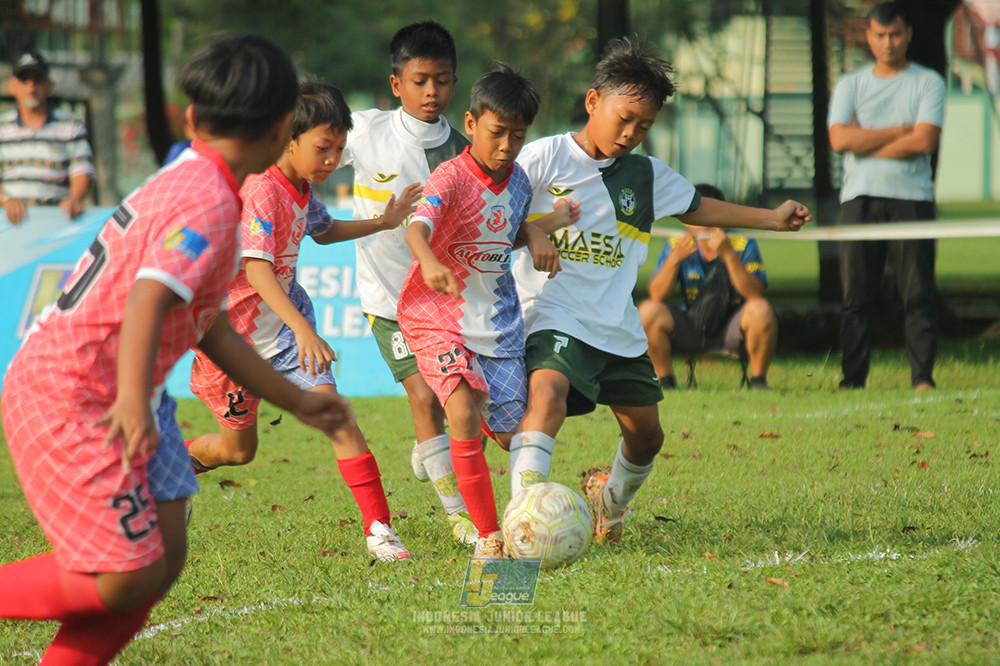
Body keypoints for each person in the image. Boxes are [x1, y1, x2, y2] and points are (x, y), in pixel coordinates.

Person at [0, 35, 349, 665]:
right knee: (127, 575)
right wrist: (133, 400)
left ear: (191, 120)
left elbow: (208, 323)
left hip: (123, 386)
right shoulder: (212, 201)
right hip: (76, 389)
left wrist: (295, 399)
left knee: (161, 560)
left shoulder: (192, 176)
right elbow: (149, 297)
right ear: (280, 133)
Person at [508, 38, 809, 542]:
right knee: (547, 394)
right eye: (623, 118)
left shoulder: (646, 176)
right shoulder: (543, 158)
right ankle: (522, 520)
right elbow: (499, 220)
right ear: (592, 102)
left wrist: (772, 219)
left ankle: (609, 502)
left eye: (643, 126)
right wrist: (536, 230)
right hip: (553, 311)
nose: (630, 133)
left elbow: (698, 208)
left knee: (647, 436)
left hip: (617, 324)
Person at [186, 82, 419, 563]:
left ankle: (380, 530)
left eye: (339, 148)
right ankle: (170, 474)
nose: (333, 159)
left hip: (288, 339)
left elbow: (325, 228)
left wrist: (383, 221)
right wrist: (305, 330)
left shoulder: (302, 187)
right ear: (290, 139)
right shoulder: (263, 189)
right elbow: (257, 270)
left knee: (336, 414)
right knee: (237, 453)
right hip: (231, 344)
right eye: (322, 147)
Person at [398, 63, 565, 559]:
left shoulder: (519, 183)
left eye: (518, 135)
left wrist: (536, 232)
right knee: (463, 410)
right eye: (497, 133)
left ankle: (457, 468)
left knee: (513, 436)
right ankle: (490, 535)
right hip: (437, 316)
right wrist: (427, 261)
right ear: (471, 124)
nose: (507, 145)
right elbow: (416, 228)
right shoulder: (449, 176)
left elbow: (506, 233)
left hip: (497, 325)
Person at [336, 21, 477, 545]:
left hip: (441, 303)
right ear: (397, 83)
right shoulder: (366, 130)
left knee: (454, 403)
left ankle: (430, 450)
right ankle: (457, 515)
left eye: (441, 80)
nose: (431, 92)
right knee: (422, 395)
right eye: (419, 81)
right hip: (385, 297)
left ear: (455, 82)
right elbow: (311, 149)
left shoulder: (464, 154)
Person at [828, 1, 945, 391]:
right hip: (859, 199)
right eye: (880, 35)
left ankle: (922, 378)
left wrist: (864, 142)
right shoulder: (851, 84)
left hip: (911, 198)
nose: (888, 43)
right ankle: (853, 378)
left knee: (917, 294)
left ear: (908, 33)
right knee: (856, 297)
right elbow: (839, 138)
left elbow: (925, 140)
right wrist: (899, 131)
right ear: (868, 36)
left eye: (895, 34)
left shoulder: (928, 82)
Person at [637, 183, 776, 390]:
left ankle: (758, 382)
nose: (704, 223)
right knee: (648, 311)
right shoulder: (677, 244)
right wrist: (675, 259)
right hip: (692, 324)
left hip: (732, 325)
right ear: (686, 220)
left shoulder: (742, 243)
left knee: (762, 310)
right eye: (696, 215)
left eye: (709, 214)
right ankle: (666, 382)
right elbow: (656, 295)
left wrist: (729, 255)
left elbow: (755, 293)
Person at [0, 50, 94, 225]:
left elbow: (82, 171)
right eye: (24, 80)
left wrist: (74, 199)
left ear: (50, 85)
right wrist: (6, 200)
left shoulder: (71, 126)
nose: (31, 86)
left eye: (37, 79)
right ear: (12, 86)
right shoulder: (2, 128)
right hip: (8, 226)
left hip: (56, 224)